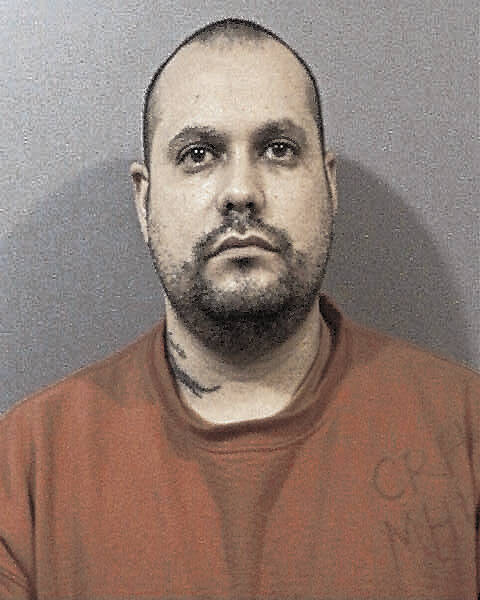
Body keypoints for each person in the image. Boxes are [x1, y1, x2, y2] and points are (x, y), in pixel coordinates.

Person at [1, 18, 478, 600]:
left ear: (329, 186)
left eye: (278, 149)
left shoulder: (466, 431)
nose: (241, 192)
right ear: (144, 201)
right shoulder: (25, 467)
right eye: (199, 154)